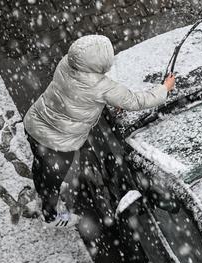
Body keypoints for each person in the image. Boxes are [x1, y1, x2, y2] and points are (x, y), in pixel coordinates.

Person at [23, 35, 175, 228]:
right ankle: (50, 215)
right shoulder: (102, 87)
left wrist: (107, 99)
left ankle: (42, 185)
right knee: (52, 180)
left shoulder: (66, 63)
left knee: (40, 163)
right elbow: (137, 101)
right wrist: (164, 88)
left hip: (35, 122)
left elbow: (79, 94)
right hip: (59, 142)